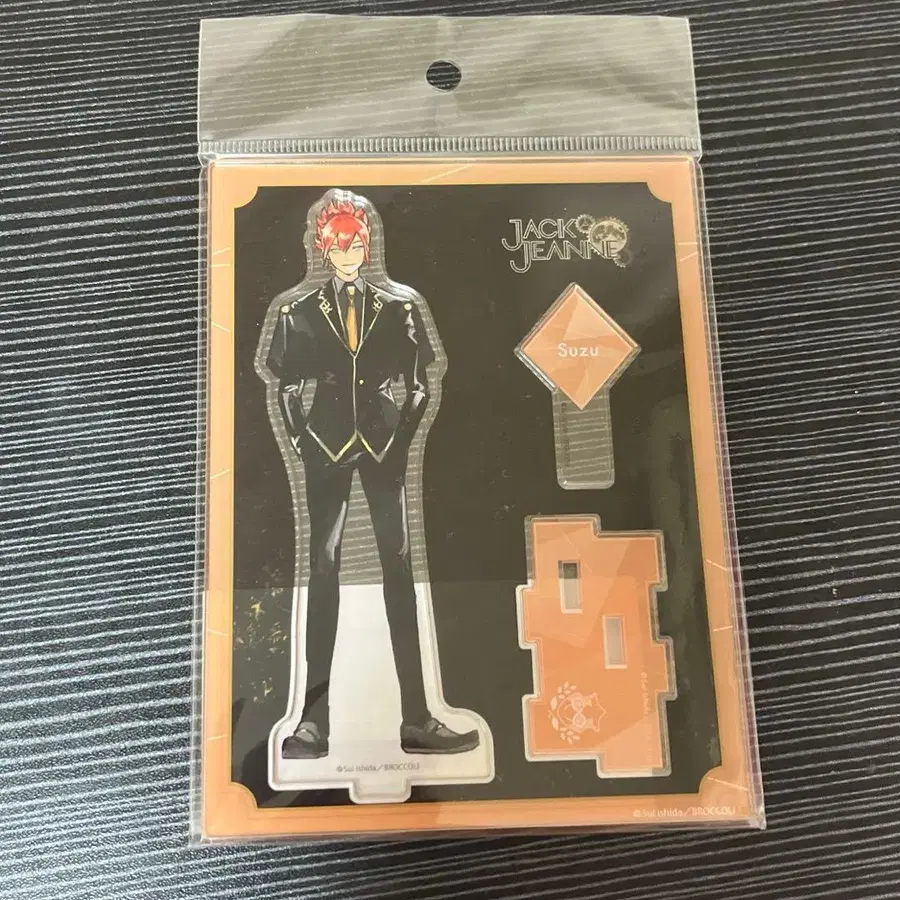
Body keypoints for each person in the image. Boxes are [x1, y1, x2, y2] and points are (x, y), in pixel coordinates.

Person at [264, 197, 479, 758]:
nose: (348, 253)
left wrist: (401, 437)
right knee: (323, 569)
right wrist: (302, 442)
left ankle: (417, 719)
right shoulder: (297, 311)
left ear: (367, 245)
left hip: (385, 447)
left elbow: (422, 382)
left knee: (399, 569)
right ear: (322, 248)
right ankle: (312, 724)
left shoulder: (399, 306)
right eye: (338, 245)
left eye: (356, 243)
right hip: (324, 446)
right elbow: (286, 386)